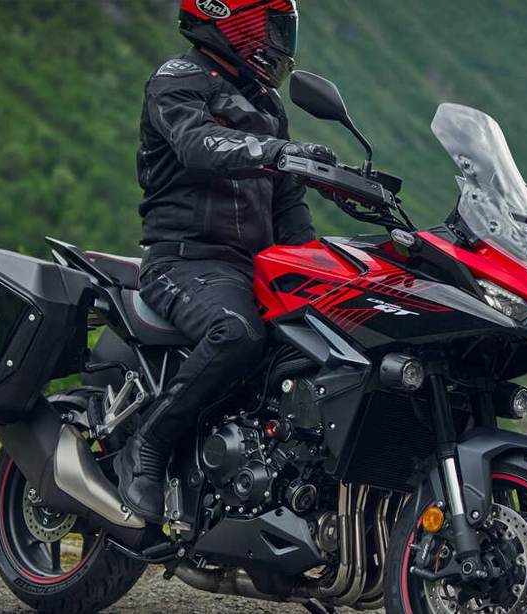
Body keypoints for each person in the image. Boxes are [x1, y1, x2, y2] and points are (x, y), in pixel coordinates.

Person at [115, 0, 338, 523]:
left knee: (332, 340)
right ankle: (145, 447)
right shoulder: (180, 77)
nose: (281, 40)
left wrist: (317, 269)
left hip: (253, 269)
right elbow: (196, 143)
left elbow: (286, 206)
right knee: (236, 332)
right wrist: (275, 152)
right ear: (234, 19)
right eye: (273, 26)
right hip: (185, 261)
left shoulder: (265, 104)